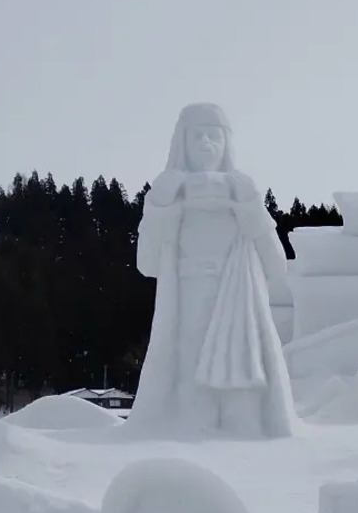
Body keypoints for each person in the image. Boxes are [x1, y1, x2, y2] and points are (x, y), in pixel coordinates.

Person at [125, 103, 296, 438]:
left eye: (214, 136)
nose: (206, 143)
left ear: (226, 142)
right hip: (189, 300)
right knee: (192, 380)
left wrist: (249, 206)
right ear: (182, 144)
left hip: (240, 303)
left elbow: (275, 264)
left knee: (242, 383)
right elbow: (147, 264)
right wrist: (161, 205)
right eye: (197, 136)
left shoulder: (242, 190)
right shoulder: (167, 193)